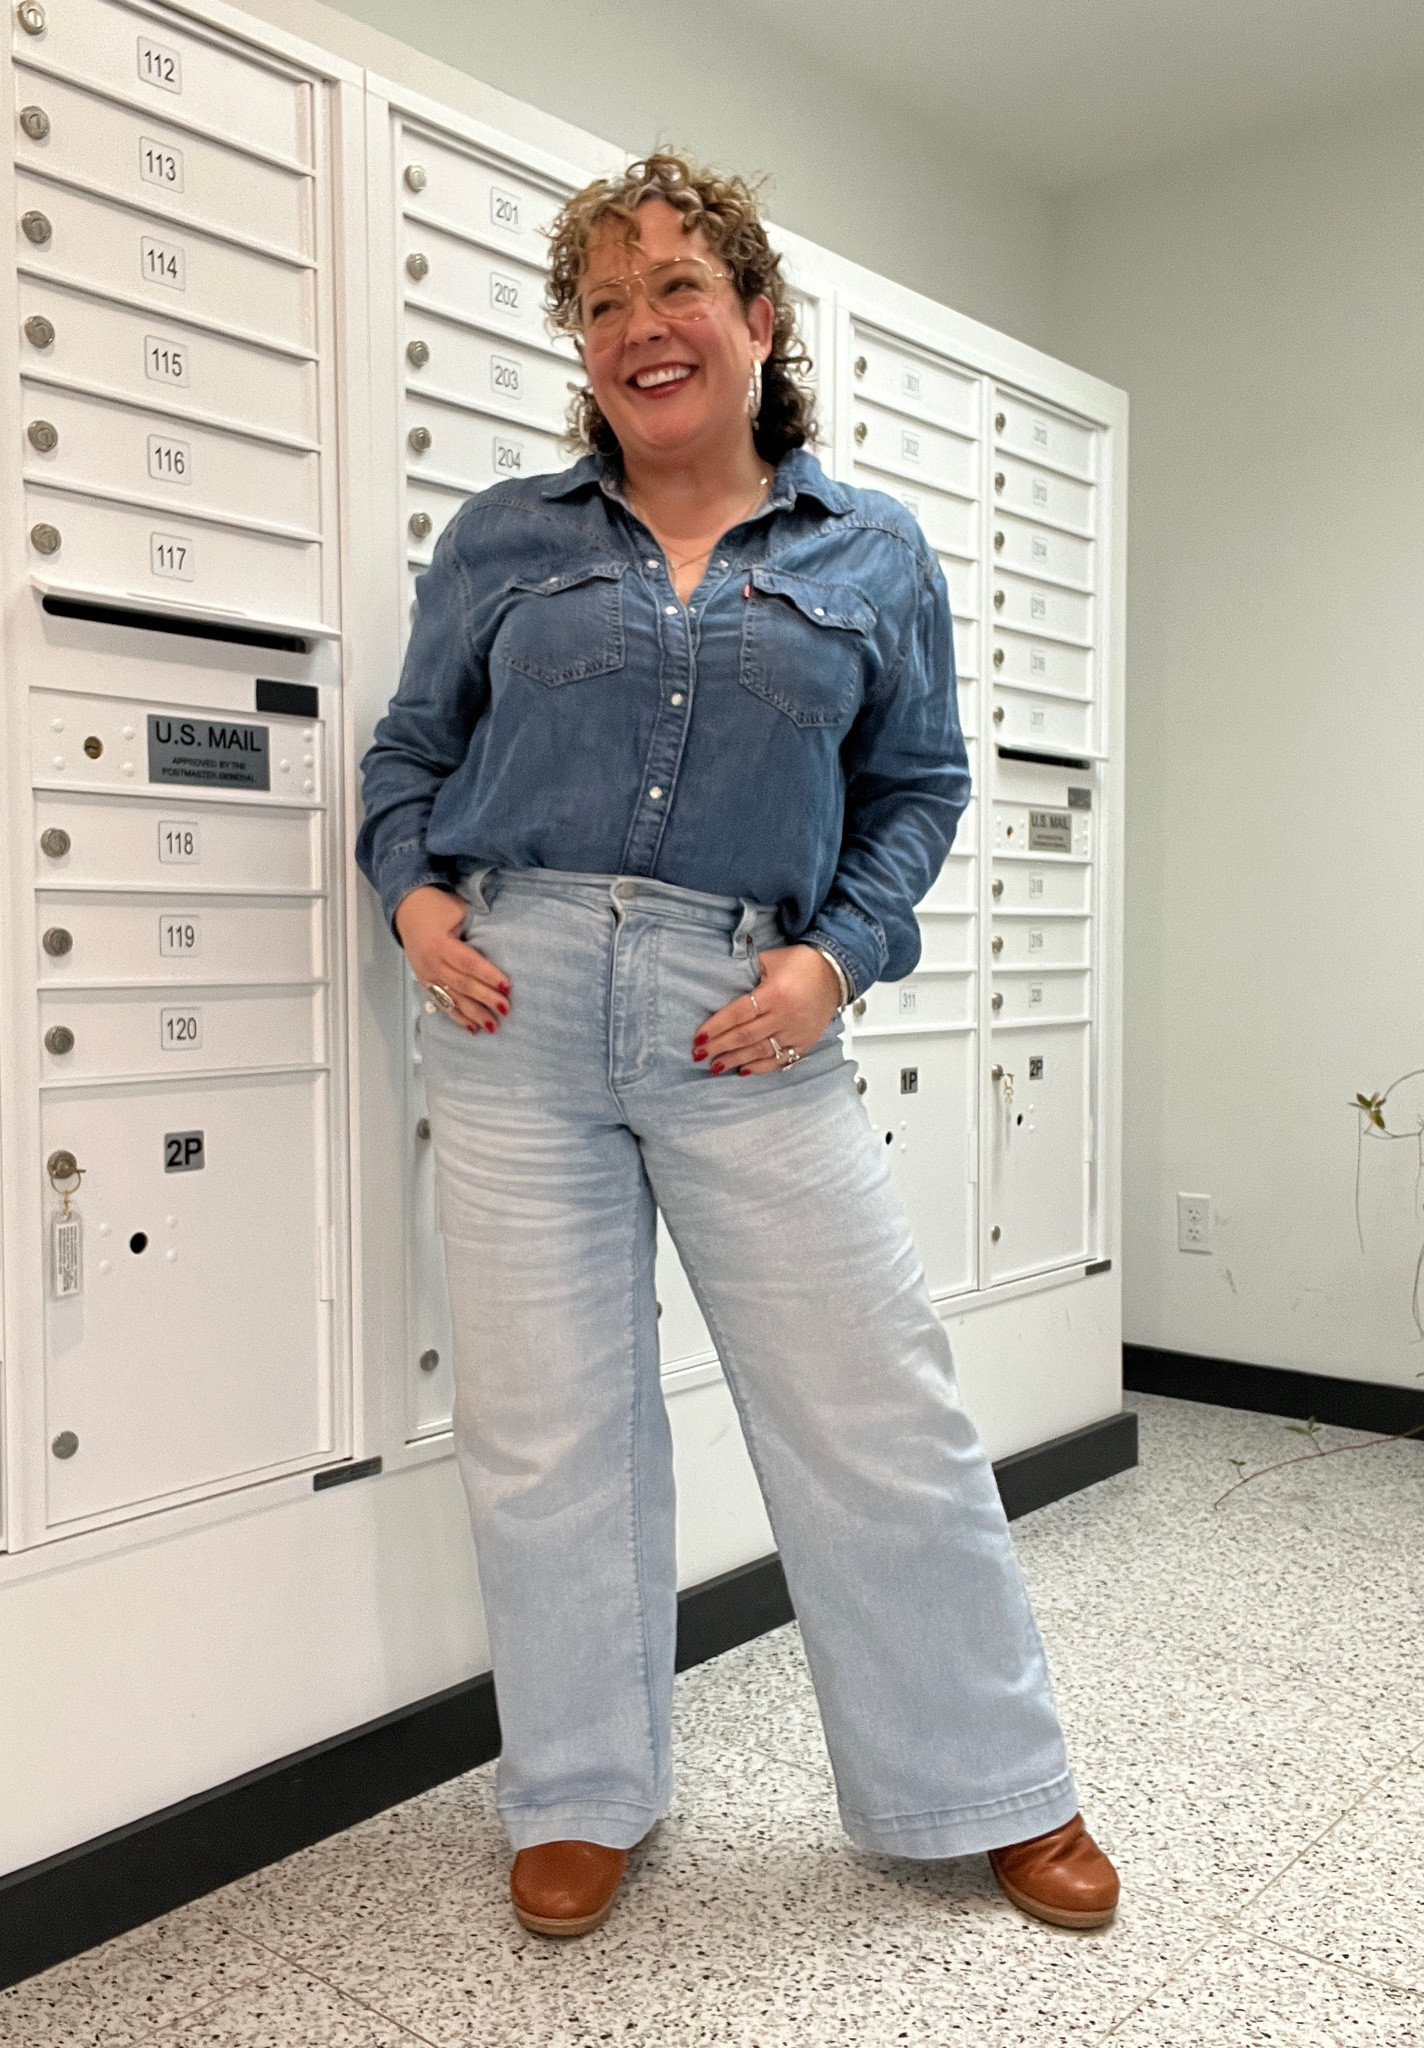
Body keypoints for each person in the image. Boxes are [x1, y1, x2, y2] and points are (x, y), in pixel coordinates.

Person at [356, 152, 1119, 1941]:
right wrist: (417, 907)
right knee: (551, 1431)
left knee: (879, 1412)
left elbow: (921, 788)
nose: (641, 326)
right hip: (519, 1000)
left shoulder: (872, 552)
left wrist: (834, 966)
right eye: (603, 302)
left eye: (675, 287)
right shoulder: (504, 539)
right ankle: (580, 1790)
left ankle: (991, 1785)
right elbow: (407, 757)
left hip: (746, 1014)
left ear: (756, 320)